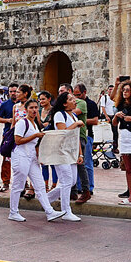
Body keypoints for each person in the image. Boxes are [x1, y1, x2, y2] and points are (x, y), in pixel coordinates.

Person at [8, 99, 61, 222]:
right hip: (20, 156)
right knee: (18, 185)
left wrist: (39, 156)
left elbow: (35, 144)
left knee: (40, 184)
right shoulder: (22, 123)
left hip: (31, 157)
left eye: (36, 108)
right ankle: (13, 212)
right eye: (31, 108)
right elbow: (18, 140)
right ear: (26, 110)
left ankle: (49, 211)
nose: (34, 110)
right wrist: (35, 136)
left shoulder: (34, 124)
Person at [44, 92, 83, 221]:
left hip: (71, 152)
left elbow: (76, 136)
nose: (74, 101)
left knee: (71, 181)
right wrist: (76, 125)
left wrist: (80, 153)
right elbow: (63, 133)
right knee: (66, 181)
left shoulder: (74, 116)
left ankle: (46, 199)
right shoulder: (59, 115)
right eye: (71, 99)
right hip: (60, 152)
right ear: (64, 103)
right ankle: (66, 211)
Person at [72, 84, 102, 203]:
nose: (76, 97)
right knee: (76, 163)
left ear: (84, 92)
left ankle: (89, 187)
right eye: (74, 95)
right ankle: (78, 187)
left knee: (87, 163)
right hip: (76, 135)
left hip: (87, 135)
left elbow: (95, 120)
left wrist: (82, 120)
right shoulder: (75, 104)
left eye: (78, 95)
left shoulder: (90, 104)